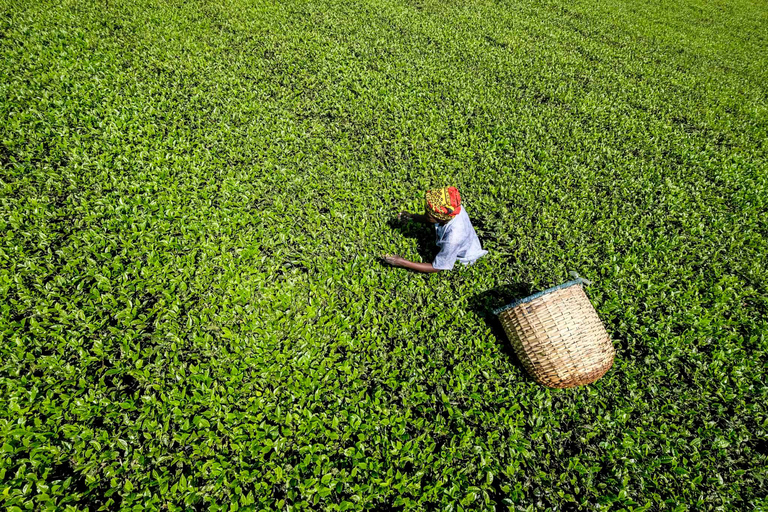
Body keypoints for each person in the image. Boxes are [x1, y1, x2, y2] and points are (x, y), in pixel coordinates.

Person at [383, 186, 487, 273]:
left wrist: (402, 262)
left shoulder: (453, 239)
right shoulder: (452, 208)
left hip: (462, 257)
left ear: (440, 218)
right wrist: (413, 217)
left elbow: (437, 267)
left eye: (428, 214)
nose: (425, 214)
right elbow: (432, 218)